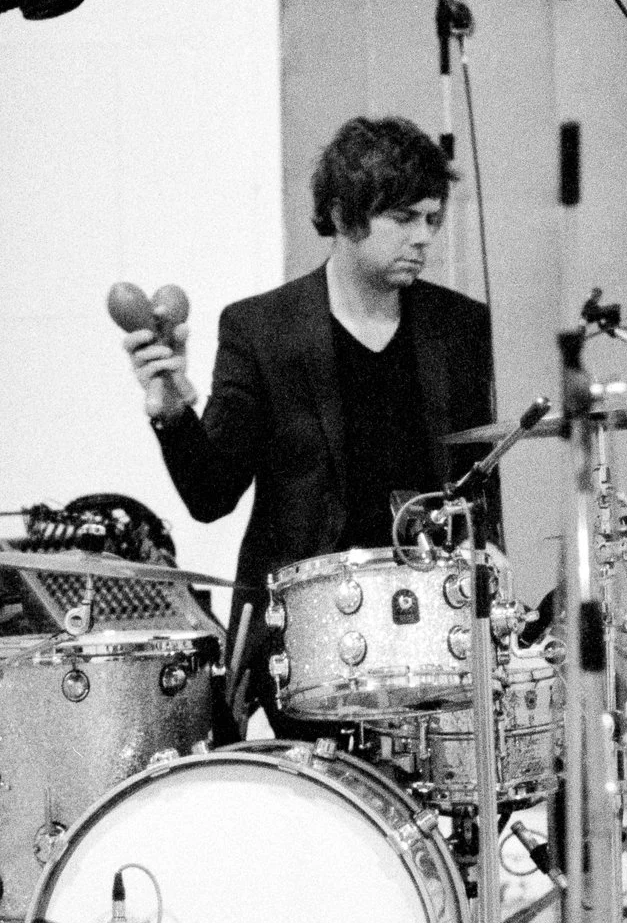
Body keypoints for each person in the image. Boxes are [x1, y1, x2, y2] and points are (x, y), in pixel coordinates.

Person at [121, 114, 501, 738]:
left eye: (432, 220)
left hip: (428, 634)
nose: (424, 238)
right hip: (303, 645)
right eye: (404, 218)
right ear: (344, 215)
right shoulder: (262, 330)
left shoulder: (459, 327)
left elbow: (478, 482)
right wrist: (169, 404)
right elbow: (210, 495)